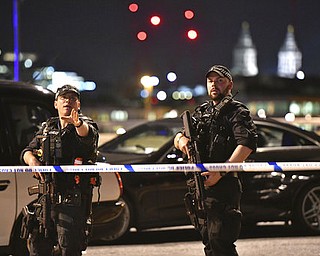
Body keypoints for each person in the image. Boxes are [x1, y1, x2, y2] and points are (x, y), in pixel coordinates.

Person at [174, 65, 257, 256]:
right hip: (200, 186)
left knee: (221, 241)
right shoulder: (202, 111)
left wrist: (220, 172)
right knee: (210, 242)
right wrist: (181, 141)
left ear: (229, 85)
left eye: (220, 81)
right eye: (211, 81)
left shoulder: (237, 111)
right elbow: (178, 136)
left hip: (224, 185)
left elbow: (246, 145)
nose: (214, 84)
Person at [20, 84, 99, 256]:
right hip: (45, 200)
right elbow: (26, 151)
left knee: (69, 250)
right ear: (56, 104)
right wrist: (33, 161)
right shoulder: (48, 126)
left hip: (71, 200)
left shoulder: (84, 125)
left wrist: (77, 123)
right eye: (63, 98)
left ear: (78, 104)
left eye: (72, 99)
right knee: (37, 247)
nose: (67, 102)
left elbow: (87, 135)